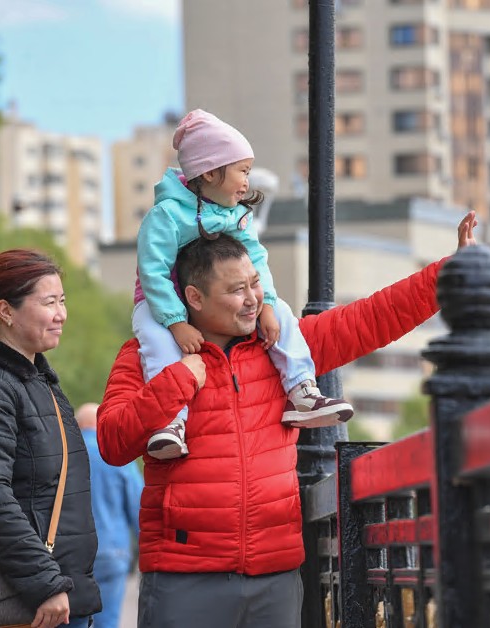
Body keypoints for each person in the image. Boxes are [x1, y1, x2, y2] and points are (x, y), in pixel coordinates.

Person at [97, 215, 477, 628]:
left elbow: (371, 319)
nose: (252, 299)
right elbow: (112, 442)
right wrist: (181, 379)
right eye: (236, 289)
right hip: (182, 576)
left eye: (254, 284)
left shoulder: (283, 349)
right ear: (195, 297)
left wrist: (449, 273)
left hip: (274, 577)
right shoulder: (146, 356)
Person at [135, 109, 353, 461]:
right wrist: (175, 322)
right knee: (155, 341)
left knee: (283, 313)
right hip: (163, 302)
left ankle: (301, 389)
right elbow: (152, 271)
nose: (246, 183)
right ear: (209, 171)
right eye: (242, 172)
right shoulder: (167, 215)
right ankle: (170, 422)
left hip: (211, 302)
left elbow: (257, 260)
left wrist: (266, 304)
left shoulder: (237, 213)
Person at [0, 248, 102, 628]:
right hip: (26, 601)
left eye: (62, 301)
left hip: (55, 598)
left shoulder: (35, 380)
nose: (62, 314)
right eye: (49, 303)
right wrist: (45, 583)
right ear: (6, 312)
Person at [76, 403, 143, 628]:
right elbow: (138, 506)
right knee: (108, 620)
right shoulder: (117, 456)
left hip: (72, 555)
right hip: (112, 552)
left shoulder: (65, 455)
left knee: (73, 619)